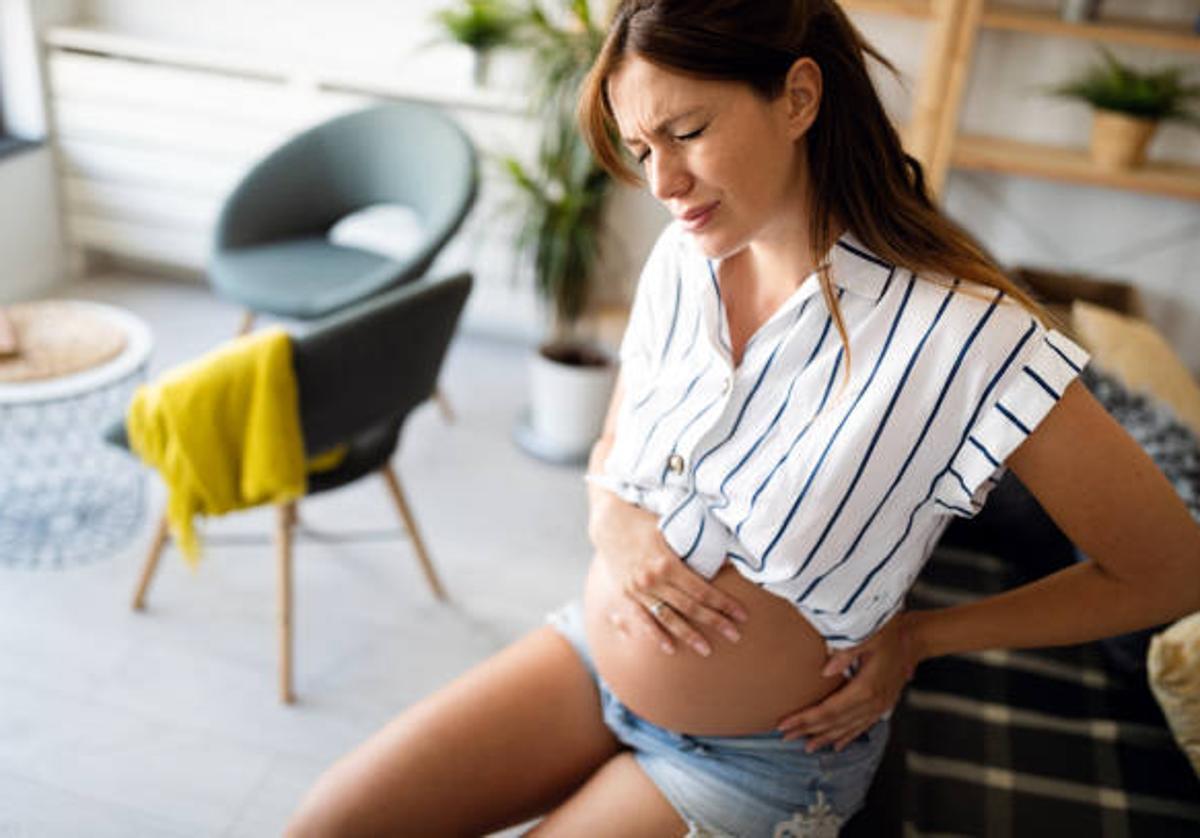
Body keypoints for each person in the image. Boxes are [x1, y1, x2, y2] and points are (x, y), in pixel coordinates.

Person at [285, 1, 1200, 835]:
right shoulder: (685, 254)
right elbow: (619, 440)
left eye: (688, 131)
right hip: (592, 656)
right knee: (326, 825)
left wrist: (923, 636)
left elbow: (1168, 570)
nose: (663, 181)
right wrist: (613, 514)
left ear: (799, 96)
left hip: (751, 765)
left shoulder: (969, 338)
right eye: (643, 149)